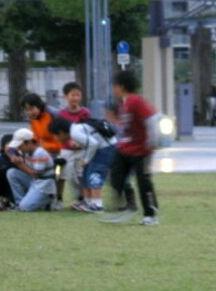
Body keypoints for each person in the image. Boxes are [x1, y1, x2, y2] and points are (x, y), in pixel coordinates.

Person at [103, 71, 160, 226]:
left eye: (114, 86)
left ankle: (151, 214)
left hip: (141, 150)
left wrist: (152, 143)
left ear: (121, 86)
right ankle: (128, 207)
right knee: (115, 177)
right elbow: (126, 128)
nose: (113, 89)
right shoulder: (124, 104)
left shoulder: (136, 101)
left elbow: (151, 120)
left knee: (143, 182)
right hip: (125, 149)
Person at [49, 116, 115, 213]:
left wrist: (86, 160)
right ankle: (88, 201)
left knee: (95, 174)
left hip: (106, 149)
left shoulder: (74, 132)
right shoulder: (76, 129)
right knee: (86, 173)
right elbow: (91, 141)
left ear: (61, 132)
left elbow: (93, 144)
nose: (55, 139)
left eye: (55, 135)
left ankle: (97, 205)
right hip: (103, 148)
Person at [21, 92, 63, 209]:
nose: (29, 112)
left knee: (59, 174)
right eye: (26, 110)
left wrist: (43, 147)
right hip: (43, 152)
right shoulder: (33, 119)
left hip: (58, 153)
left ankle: (58, 198)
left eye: (31, 108)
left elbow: (61, 138)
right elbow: (34, 136)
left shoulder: (52, 115)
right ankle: (37, 197)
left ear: (39, 106)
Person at [5, 127, 57, 212]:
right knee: (11, 173)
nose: (19, 149)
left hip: (44, 184)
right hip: (35, 181)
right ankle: (20, 203)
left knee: (26, 207)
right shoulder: (28, 152)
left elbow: (36, 174)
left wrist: (20, 164)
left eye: (20, 146)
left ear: (28, 142)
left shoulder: (39, 153)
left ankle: (47, 200)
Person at [56, 82, 91, 208]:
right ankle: (59, 199)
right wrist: (68, 142)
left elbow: (89, 130)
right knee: (64, 174)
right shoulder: (61, 114)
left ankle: (83, 199)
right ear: (65, 96)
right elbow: (58, 133)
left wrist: (81, 143)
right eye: (72, 95)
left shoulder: (85, 113)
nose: (75, 98)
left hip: (82, 149)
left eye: (78, 95)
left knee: (81, 174)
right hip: (66, 150)